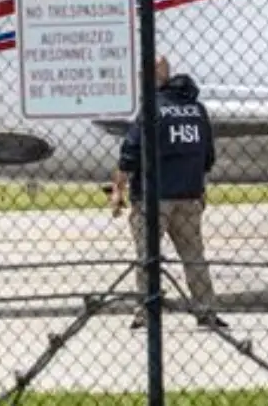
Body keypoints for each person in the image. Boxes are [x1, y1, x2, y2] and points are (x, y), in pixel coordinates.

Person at [111, 56, 228, 330]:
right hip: (189, 195)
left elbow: (130, 153)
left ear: (154, 79)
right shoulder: (197, 111)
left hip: (154, 197)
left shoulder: (152, 110)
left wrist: (118, 189)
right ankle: (206, 310)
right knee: (194, 256)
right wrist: (200, 187)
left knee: (147, 257)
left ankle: (147, 311)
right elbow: (207, 156)